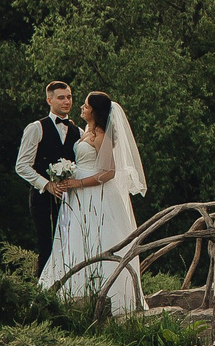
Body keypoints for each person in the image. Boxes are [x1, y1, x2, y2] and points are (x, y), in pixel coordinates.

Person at [38, 89, 149, 315]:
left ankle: (109, 297)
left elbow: (108, 171)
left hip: (95, 195)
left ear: (95, 111)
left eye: (86, 106)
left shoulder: (102, 136)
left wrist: (78, 184)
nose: (81, 108)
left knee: (98, 238)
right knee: (74, 239)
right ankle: (71, 291)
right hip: (79, 196)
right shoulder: (87, 131)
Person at [12, 80, 77, 261]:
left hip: (71, 199)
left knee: (71, 246)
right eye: (61, 98)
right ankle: (44, 288)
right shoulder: (36, 128)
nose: (67, 101)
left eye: (69, 97)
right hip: (42, 199)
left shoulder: (78, 132)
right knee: (46, 246)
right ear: (49, 100)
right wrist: (46, 184)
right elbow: (22, 165)